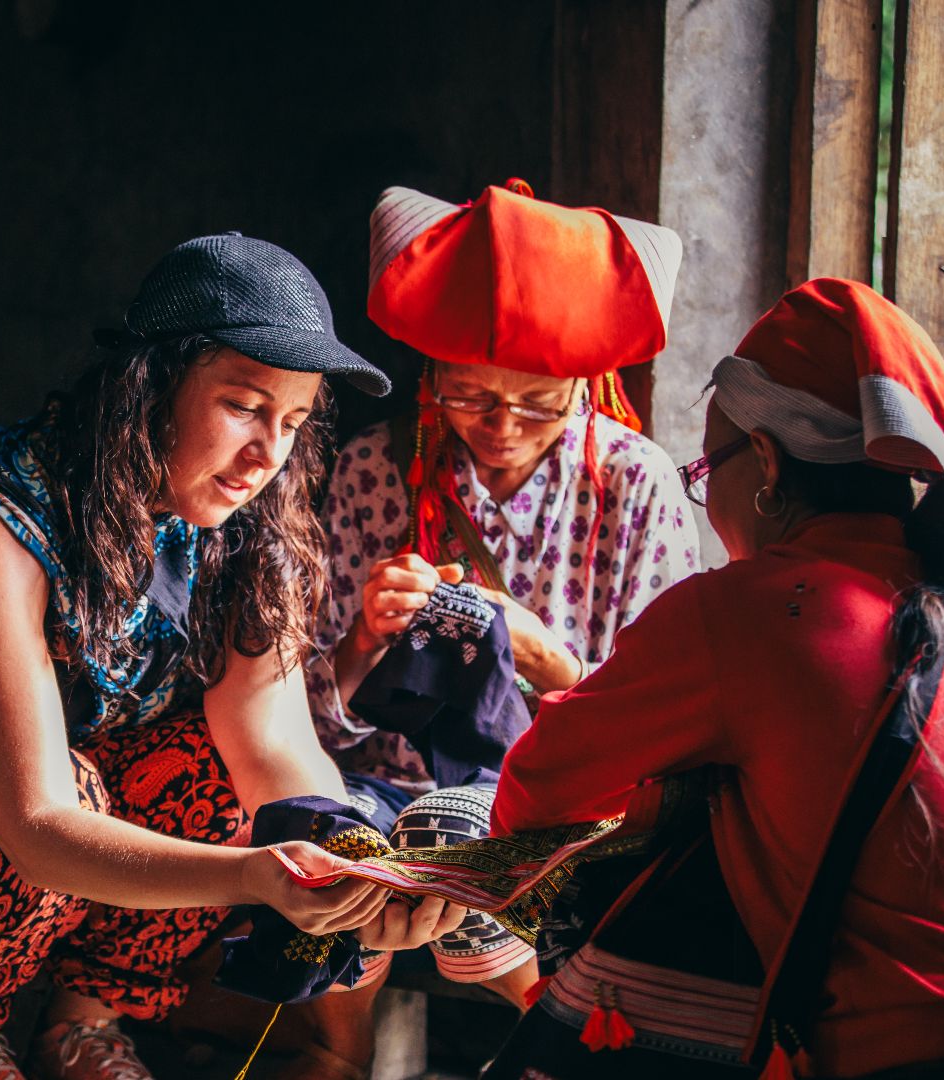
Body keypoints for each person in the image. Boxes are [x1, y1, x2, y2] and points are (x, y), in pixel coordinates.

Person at [0, 234, 461, 1080]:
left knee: (218, 771)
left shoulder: (240, 535)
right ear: (148, 389)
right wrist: (256, 877)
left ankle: (82, 1026)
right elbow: (34, 820)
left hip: (31, 881)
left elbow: (274, 753)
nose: (268, 455)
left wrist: (354, 865)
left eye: (292, 422)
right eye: (242, 406)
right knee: (64, 787)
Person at [491, 279, 944, 1077]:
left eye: (706, 471)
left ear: (763, 463)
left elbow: (532, 794)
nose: (704, 496)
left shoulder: (754, 607)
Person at [293, 181, 697, 1070]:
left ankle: (563, 1040)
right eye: (470, 397)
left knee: (457, 839)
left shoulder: (636, 487)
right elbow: (308, 722)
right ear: (431, 377)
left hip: (562, 806)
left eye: (540, 405)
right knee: (328, 837)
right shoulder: (373, 467)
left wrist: (547, 658)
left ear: (588, 388)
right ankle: (339, 1052)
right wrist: (364, 639)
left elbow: (675, 738)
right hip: (383, 786)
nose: (502, 428)